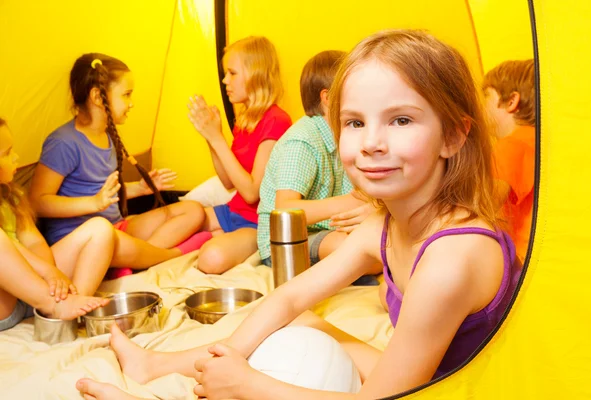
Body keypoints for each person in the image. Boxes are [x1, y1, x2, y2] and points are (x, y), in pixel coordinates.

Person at [76, 30, 522, 400]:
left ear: (453, 136)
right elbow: (288, 298)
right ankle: (156, 363)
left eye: (401, 120)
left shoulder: (452, 259)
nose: (371, 142)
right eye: (354, 122)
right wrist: (216, 363)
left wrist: (249, 384)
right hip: (429, 374)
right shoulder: (384, 228)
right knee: (298, 316)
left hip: (466, 388)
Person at [29, 54, 209, 274]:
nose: (132, 103)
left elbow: (108, 192)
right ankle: (168, 255)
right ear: (97, 96)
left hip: (117, 226)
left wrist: (141, 188)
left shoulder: (108, 135)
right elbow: (37, 202)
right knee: (112, 238)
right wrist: (92, 204)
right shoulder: (63, 143)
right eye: (126, 94)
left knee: (193, 211)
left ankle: (134, 259)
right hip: (84, 239)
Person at [256, 50, 379, 278]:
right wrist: (350, 201)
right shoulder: (302, 141)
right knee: (364, 252)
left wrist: (371, 207)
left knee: (383, 239)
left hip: (330, 230)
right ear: (329, 99)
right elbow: (285, 209)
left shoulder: (348, 136)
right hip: (289, 241)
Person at [187, 36, 292, 274]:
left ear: (255, 74)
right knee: (176, 220)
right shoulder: (246, 119)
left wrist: (217, 139)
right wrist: (210, 136)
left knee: (211, 258)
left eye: (232, 73)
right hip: (233, 210)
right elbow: (227, 182)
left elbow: (251, 191)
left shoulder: (276, 120)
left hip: (256, 221)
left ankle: (210, 238)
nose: (225, 81)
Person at [0, 117, 109, 332]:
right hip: (5, 302)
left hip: (31, 291)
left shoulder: (10, 197)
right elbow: (13, 250)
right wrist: (46, 273)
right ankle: (55, 305)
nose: (16, 157)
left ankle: (71, 305)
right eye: (7, 153)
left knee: (100, 229)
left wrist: (50, 276)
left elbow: (33, 243)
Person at [483, 59, 536, 262]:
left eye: (486, 96)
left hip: (520, 262)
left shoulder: (512, 144)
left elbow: (482, 205)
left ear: (511, 102)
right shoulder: (536, 140)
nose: (480, 105)